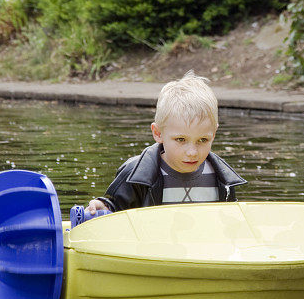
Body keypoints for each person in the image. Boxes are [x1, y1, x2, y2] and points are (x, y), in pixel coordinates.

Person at [86, 70, 246, 214]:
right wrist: (104, 207)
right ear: (158, 133)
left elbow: (230, 224)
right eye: (181, 139)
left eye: (202, 140)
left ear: (214, 134)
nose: (192, 152)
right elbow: (116, 209)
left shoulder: (222, 178)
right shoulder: (136, 173)